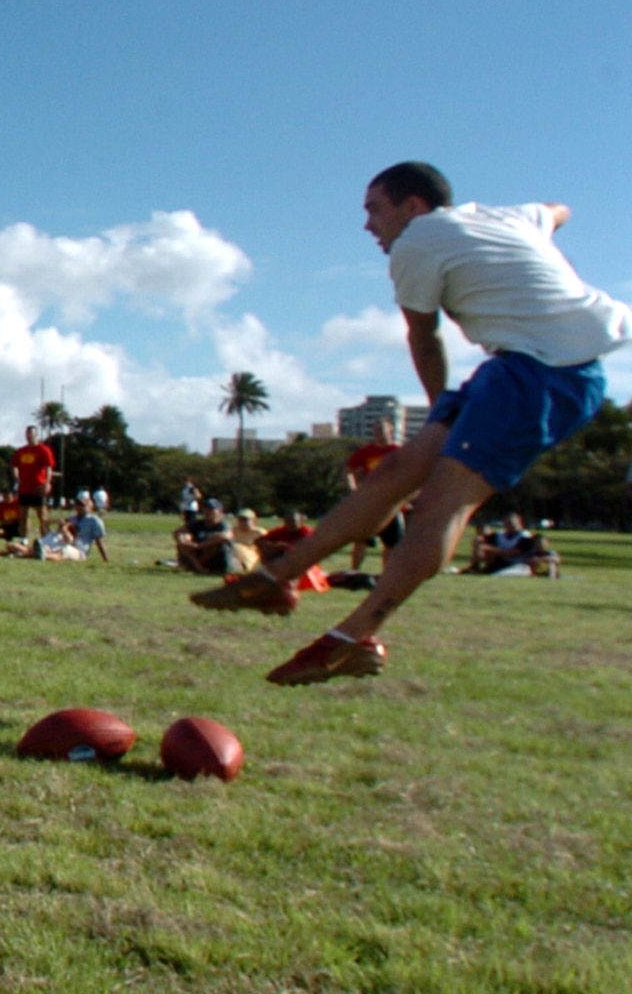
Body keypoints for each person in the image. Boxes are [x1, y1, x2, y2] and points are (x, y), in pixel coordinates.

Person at [194, 162, 629, 684]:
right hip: (516, 368)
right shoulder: (506, 217)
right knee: (397, 471)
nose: (367, 225)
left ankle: (351, 637)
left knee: (441, 504)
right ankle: (273, 577)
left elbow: (423, 337)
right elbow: (560, 209)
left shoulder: (417, 243)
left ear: (413, 206)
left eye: (374, 208)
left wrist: (439, 406)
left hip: (549, 374)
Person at [343, 418, 405, 573]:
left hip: (391, 501)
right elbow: (348, 470)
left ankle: (386, 574)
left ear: (390, 431)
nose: (379, 434)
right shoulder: (366, 452)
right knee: (362, 538)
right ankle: (354, 572)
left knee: (392, 542)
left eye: (382, 430)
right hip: (370, 500)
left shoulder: (398, 451)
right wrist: (353, 489)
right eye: (376, 431)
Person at [0, 495, 110, 561]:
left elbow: (99, 542)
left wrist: (106, 559)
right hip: (62, 543)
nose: (78, 507)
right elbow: (48, 524)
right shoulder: (72, 518)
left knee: (60, 553)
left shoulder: (95, 521)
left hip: (78, 550)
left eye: (82, 505)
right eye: (77, 505)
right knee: (27, 549)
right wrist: (59, 523)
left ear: (90, 507)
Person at [12, 426, 57, 537]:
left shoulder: (43, 450)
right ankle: (24, 540)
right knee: (23, 516)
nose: (29, 436)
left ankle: (45, 540)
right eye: (27, 434)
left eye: (31, 433)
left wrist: (47, 483)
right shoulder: (21, 451)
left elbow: (48, 468)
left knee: (42, 516)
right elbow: (14, 465)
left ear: (36, 435)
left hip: (38, 487)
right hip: (24, 488)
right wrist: (17, 477)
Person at [174, 497, 235, 574]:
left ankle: (196, 567)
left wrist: (199, 545)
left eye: (211, 509)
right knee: (183, 543)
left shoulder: (223, 525)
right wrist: (183, 539)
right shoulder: (197, 523)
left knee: (214, 544)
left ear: (220, 512)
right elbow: (178, 532)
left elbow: (225, 536)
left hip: (218, 560)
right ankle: (198, 568)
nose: (207, 512)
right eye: (205, 509)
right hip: (198, 556)